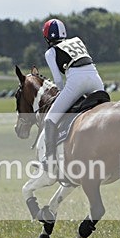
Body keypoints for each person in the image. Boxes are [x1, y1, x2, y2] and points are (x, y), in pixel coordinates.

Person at [40, 18, 105, 171]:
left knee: (50, 119)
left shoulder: (50, 52)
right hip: (96, 79)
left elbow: (58, 80)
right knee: (107, 112)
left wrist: (62, 95)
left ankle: (50, 159)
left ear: (47, 37)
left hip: (76, 82)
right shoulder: (77, 40)